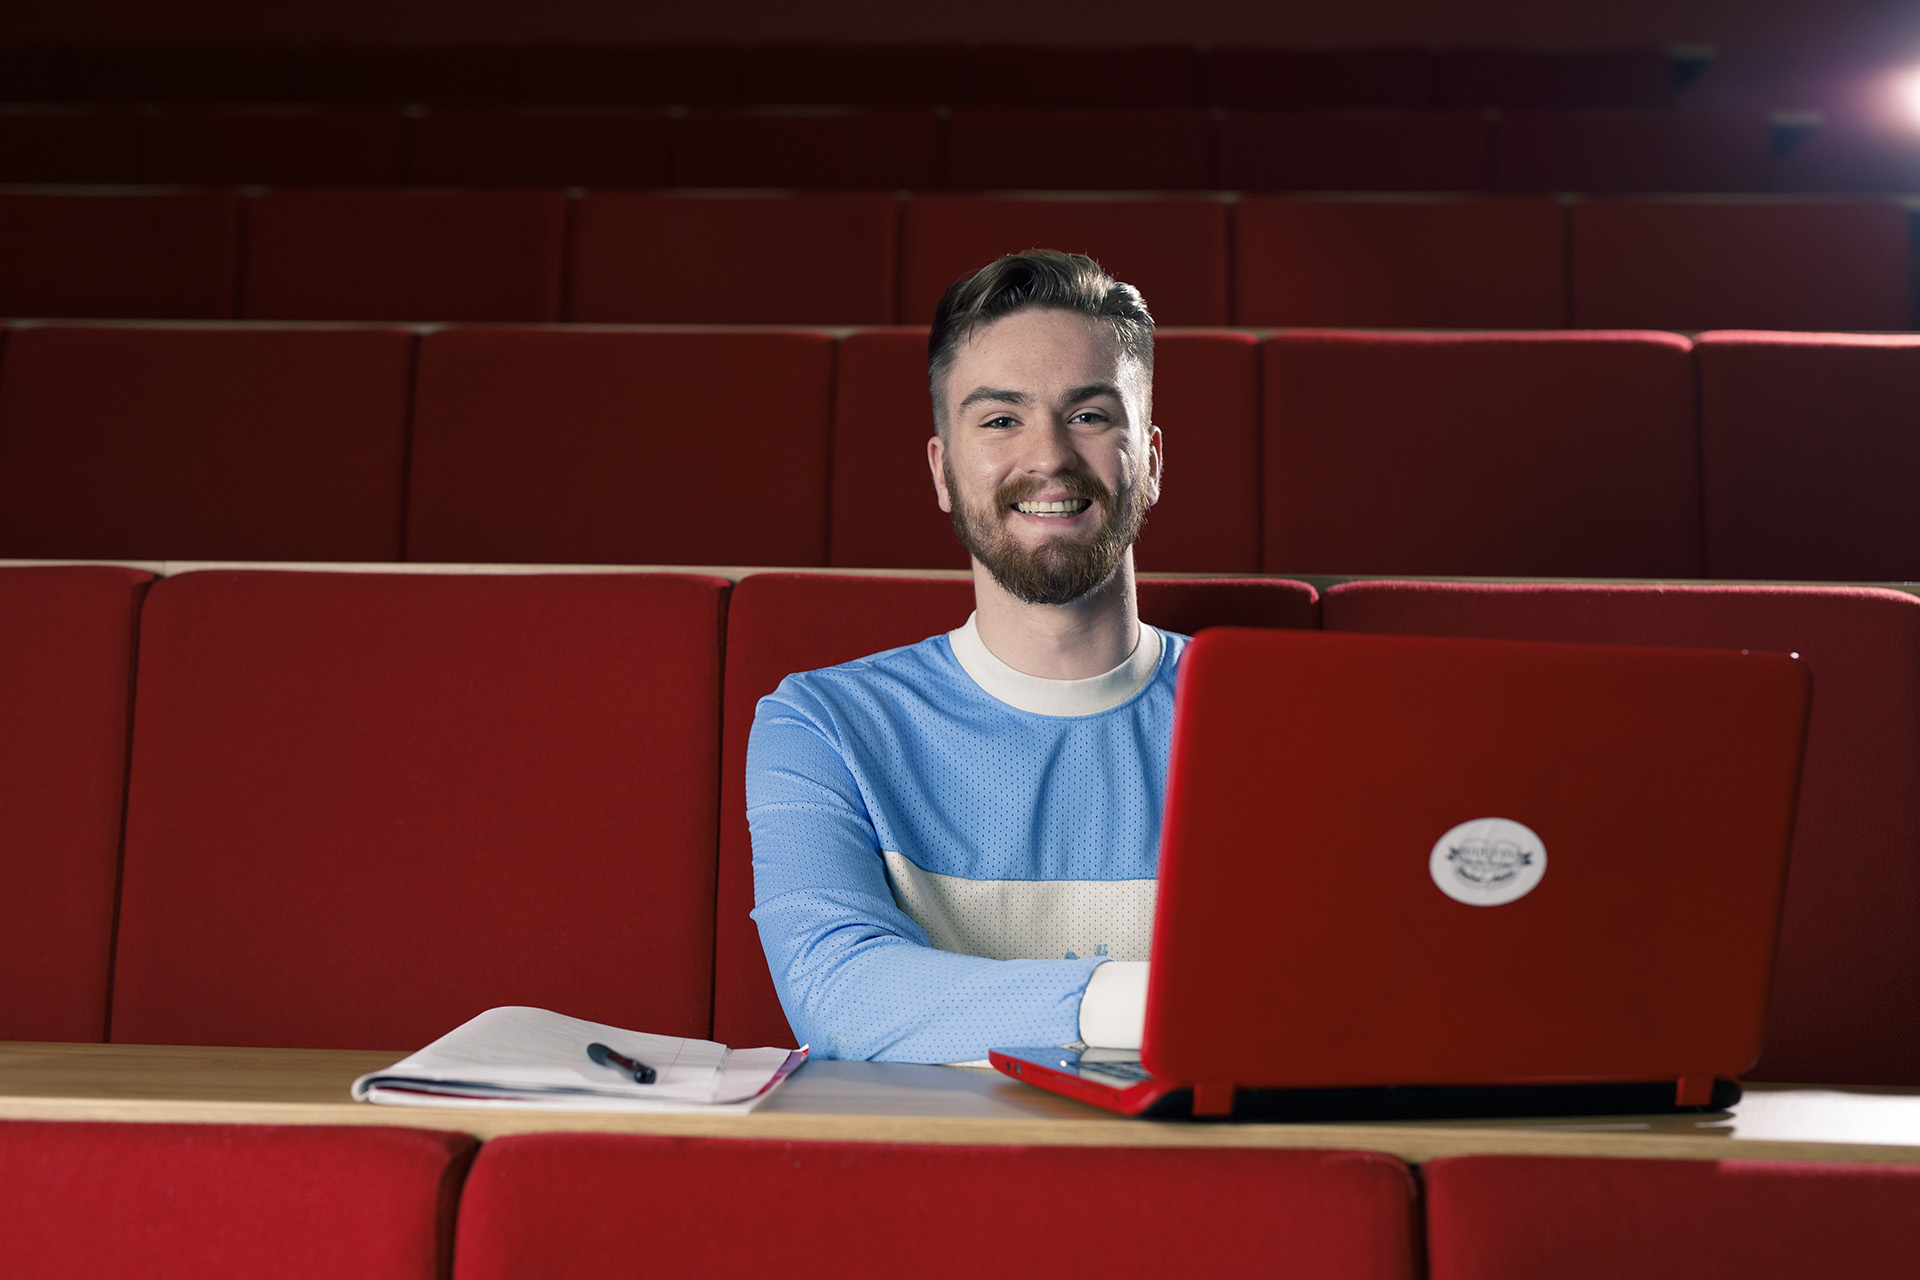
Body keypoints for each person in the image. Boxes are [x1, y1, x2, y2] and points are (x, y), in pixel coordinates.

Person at [745, 249, 1179, 1062]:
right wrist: (1171, 1004)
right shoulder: (822, 726)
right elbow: (839, 995)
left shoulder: (1277, 722)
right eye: (1000, 420)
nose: (1048, 456)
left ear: (1150, 460)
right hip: (933, 1174)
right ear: (944, 470)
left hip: (1205, 1175)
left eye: (1089, 415)